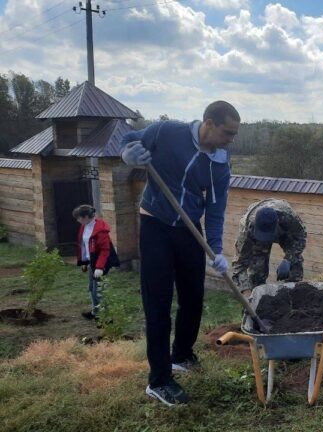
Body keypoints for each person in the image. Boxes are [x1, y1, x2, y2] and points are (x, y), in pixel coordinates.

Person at [120, 101, 240, 406]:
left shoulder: (220, 164)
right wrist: (128, 154)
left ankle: (182, 355)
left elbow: (215, 209)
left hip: (189, 230)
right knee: (158, 303)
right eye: (227, 132)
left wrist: (215, 248)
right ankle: (159, 380)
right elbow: (128, 138)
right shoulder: (166, 132)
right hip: (155, 224)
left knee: (193, 298)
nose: (231, 140)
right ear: (209, 123)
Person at [232, 198, 307, 294]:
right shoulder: (247, 230)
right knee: (257, 270)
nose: (267, 239)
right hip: (256, 236)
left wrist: (288, 259)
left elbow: (300, 237)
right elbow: (239, 265)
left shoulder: (288, 217)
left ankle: (294, 296)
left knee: (295, 263)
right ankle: (257, 299)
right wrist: (247, 293)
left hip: (285, 231)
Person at [73, 204, 117, 320]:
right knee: (92, 288)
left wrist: (100, 267)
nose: (77, 220)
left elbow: (105, 250)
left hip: (101, 264)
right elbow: (84, 245)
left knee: (100, 290)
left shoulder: (100, 230)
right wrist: (84, 262)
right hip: (92, 262)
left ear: (86, 216)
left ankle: (107, 317)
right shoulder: (84, 226)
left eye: (79, 218)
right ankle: (96, 312)